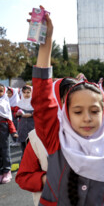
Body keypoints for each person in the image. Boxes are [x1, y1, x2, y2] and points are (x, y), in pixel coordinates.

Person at [30, 6, 104, 205]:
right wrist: (47, 40)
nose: (87, 118)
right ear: (66, 113)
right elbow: (42, 99)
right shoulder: (56, 142)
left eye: (95, 111)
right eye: (77, 111)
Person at [15, 77, 78, 206]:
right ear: (55, 101)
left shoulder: (98, 135)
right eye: (68, 99)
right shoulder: (37, 138)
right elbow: (23, 178)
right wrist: (47, 179)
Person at [0, 84, 18, 184]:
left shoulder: (5, 103)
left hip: (3, 128)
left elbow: (9, 120)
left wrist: (13, 132)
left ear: (4, 92)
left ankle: (7, 171)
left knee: (5, 150)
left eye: (0, 91)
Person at [16, 85, 34, 155]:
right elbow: (14, 114)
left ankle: (33, 165)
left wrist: (31, 114)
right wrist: (17, 114)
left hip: (32, 128)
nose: (26, 94)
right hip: (22, 128)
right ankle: (24, 164)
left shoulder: (34, 103)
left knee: (32, 147)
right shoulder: (20, 103)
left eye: (28, 92)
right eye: (24, 92)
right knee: (23, 148)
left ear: (31, 92)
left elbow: (39, 113)